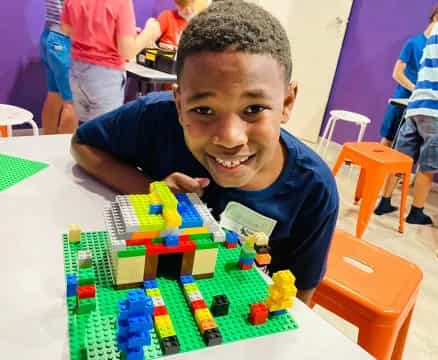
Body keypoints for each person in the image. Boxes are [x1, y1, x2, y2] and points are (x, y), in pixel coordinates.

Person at [70, 0, 339, 304]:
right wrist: (152, 191)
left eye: (254, 109)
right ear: (180, 104)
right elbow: (82, 144)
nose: (229, 138)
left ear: (287, 103)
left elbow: (299, 301)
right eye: (203, 110)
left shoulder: (313, 189)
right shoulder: (156, 118)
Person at [375, 0, 438, 225]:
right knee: (428, 165)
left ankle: (384, 201)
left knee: (401, 158)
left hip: (418, 103)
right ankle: (416, 212)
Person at [60, 0, 161, 124]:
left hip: (77, 71)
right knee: (104, 134)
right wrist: (150, 33)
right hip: (105, 76)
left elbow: (66, 28)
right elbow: (127, 51)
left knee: (85, 132)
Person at [380, 6, 438, 146]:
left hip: (420, 105)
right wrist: (416, 89)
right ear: (436, 18)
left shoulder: (436, 49)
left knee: (406, 146)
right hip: (402, 100)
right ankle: (376, 168)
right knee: (388, 139)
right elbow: (397, 73)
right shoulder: (413, 43)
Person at [40, 0, 77, 134]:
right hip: (63, 39)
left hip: (50, 36)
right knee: (72, 103)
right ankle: (64, 151)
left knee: (54, 96)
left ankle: (48, 145)